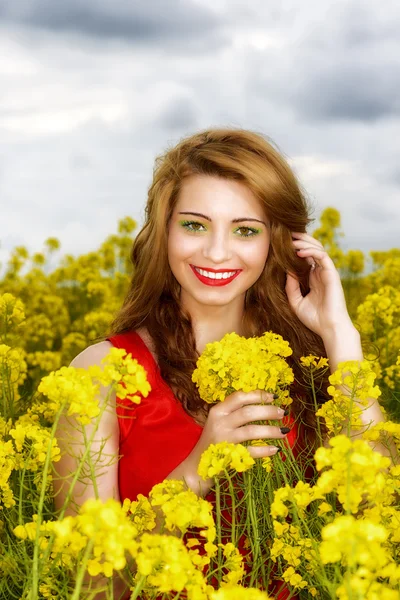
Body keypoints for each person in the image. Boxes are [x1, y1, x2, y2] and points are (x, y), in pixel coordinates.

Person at [53, 128, 389, 599]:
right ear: (162, 231)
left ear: (275, 241)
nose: (216, 252)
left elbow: (383, 512)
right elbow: (90, 584)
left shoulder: (310, 366)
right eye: (194, 225)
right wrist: (195, 471)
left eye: (245, 230)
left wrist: (340, 338)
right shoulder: (100, 374)